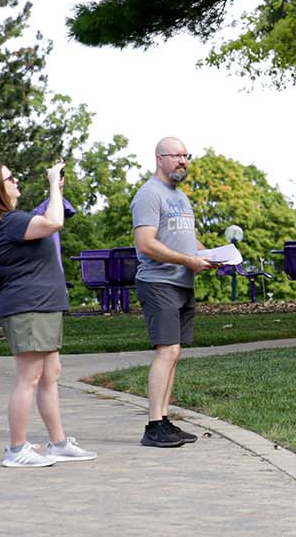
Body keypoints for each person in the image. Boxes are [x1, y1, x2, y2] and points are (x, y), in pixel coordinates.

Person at [0, 160, 98, 467]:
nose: (16, 181)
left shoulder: (13, 221)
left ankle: (57, 444)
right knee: (28, 378)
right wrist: (53, 183)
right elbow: (54, 222)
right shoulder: (9, 222)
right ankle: (17, 450)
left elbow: (49, 218)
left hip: (43, 306)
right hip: (27, 308)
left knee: (49, 375)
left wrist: (59, 188)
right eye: (9, 178)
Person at [131, 137, 217, 448]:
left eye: (186, 155)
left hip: (182, 282)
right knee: (166, 351)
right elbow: (146, 244)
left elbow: (186, 241)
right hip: (159, 282)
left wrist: (212, 255)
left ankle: (165, 420)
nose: (183, 161)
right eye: (176, 156)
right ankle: (153, 426)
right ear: (159, 159)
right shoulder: (149, 195)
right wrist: (187, 261)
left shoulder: (180, 196)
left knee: (175, 353)